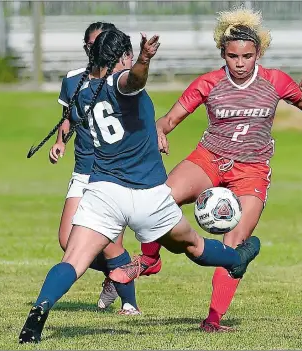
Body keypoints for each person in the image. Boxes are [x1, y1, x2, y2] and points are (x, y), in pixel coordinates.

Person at [19, 27, 260, 344]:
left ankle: (39, 311)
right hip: (148, 194)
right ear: (124, 57)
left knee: (72, 261)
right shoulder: (122, 83)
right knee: (191, 246)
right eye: (131, 55)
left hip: (103, 191)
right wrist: (145, 59)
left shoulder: (84, 89)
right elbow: (132, 81)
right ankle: (236, 259)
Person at [109, 6, 302, 332]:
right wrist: (160, 132)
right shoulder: (208, 83)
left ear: (258, 53)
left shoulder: (275, 80)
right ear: (223, 52)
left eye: (247, 56)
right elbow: (167, 120)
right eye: (233, 56)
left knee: (234, 243)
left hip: (251, 169)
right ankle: (150, 259)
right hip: (210, 159)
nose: (240, 63)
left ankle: (212, 320)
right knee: (160, 198)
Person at [49, 21, 141, 314]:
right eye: (91, 45)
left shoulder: (122, 81)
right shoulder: (74, 79)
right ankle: (119, 271)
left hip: (114, 172)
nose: (96, 49)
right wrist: (61, 141)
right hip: (83, 168)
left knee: (111, 240)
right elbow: (69, 117)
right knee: (67, 241)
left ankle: (129, 303)